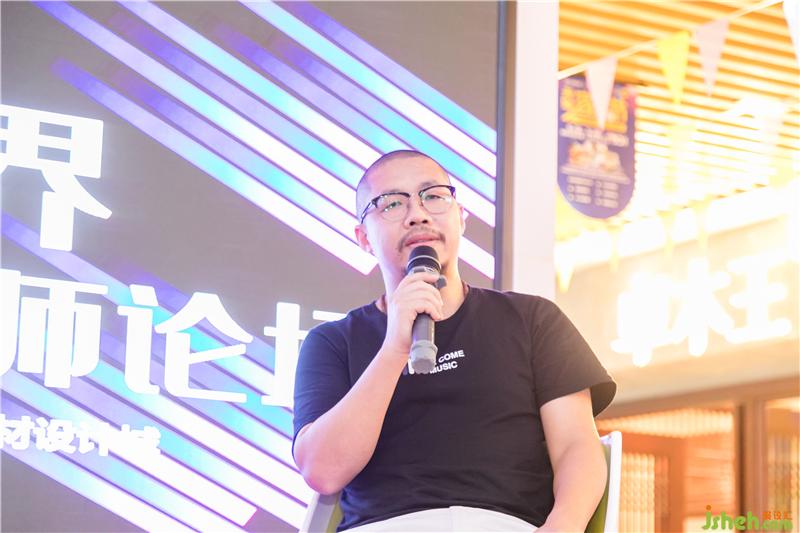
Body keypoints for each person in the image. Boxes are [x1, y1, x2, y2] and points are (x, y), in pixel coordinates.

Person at [293, 150, 616, 532]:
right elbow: (323, 471)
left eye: (433, 195)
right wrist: (395, 347)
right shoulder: (333, 342)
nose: (417, 214)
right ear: (363, 237)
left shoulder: (532, 319)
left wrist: (561, 527)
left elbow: (577, 446)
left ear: (461, 217)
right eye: (392, 203)